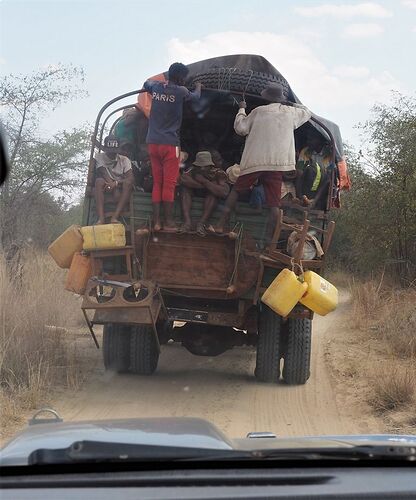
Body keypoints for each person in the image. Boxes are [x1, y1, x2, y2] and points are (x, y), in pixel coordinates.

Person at [213, 83, 312, 239]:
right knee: (274, 204)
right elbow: (307, 112)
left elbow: (240, 128)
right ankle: (272, 241)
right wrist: (291, 103)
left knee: (237, 190)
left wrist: (241, 109)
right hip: (277, 164)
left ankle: (219, 225)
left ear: (266, 98)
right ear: (281, 99)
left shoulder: (258, 112)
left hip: (255, 161)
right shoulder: (291, 113)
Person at [143, 62, 202, 231]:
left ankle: (156, 222)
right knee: (169, 184)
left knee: (157, 183)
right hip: (170, 145)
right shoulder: (181, 91)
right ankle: (168, 222)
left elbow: (146, 83)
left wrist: (160, 83)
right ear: (179, 77)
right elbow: (196, 97)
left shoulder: (156, 87)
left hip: (153, 143)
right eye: (183, 77)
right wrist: (198, 86)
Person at [180, 151, 229, 236]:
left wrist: (205, 182)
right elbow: (183, 179)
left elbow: (224, 192)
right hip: (195, 193)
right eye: (200, 166)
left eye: (205, 166)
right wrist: (202, 185)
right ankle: (187, 222)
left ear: (210, 166)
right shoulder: (192, 170)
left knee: (213, 194)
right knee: (185, 190)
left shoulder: (218, 173)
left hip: (209, 196)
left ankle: (201, 223)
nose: (202, 169)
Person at [94, 135, 134, 224]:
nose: (112, 154)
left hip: (120, 185)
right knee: (98, 181)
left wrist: (115, 184)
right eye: (110, 151)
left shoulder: (124, 160)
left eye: (114, 152)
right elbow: (103, 172)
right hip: (106, 183)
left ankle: (115, 217)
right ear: (106, 150)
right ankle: (101, 219)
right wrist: (112, 185)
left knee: (128, 183)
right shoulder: (99, 156)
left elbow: (130, 178)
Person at [295, 129, 331, 210]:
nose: (308, 141)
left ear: (320, 140)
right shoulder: (305, 151)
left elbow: (328, 179)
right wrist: (300, 196)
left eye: (311, 139)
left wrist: (315, 200)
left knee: (326, 177)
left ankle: (314, 201)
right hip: (306, 185)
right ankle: (302, 199)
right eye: (308, 139)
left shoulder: (329, 154)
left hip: (321, 189)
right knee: (309, 171)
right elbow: (299, 172)